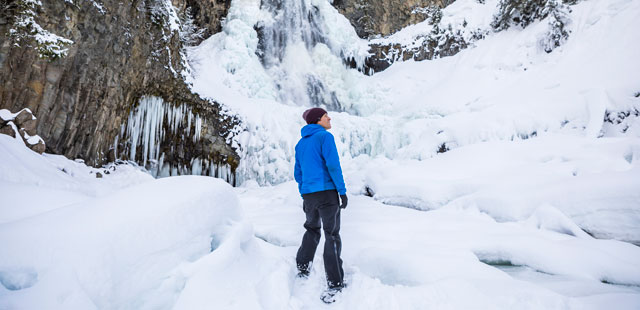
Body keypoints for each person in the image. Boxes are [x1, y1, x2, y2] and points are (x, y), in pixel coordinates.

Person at [294, 107, 348, 297]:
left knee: (312, 228)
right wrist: (342, 191)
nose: (329, 118)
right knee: (331, 234)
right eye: (326, 116)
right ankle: (335, 282)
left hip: (309, 195)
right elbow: (333, 165)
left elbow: (298, 173)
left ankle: (302, 266)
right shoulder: (325, 137)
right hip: (327, 193)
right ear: (318, 120)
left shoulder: (300, 144)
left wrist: (304, 193)